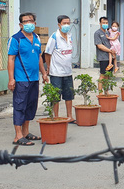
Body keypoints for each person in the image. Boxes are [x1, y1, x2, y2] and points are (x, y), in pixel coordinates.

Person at [7, 12, 48, 146]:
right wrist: (11, 79)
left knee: (31, 106)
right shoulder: (16, 39)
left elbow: (39, 58)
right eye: (25, 21)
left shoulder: (36, 38)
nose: (28, 23)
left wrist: (44, 73)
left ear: (35, 24)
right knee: (20, 106)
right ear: (20, 24)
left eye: (31, 21)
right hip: (21, 79)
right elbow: (11, 59)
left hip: (34, 79)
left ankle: (25, 133)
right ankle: (18, 136)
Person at [44, 15, 75, 123]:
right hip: (56, 72)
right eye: (64, 23)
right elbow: (47, 53)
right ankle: (56, 117)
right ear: (59, 25)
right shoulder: (54, 37)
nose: (66, 25)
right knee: (56, 96)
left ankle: (69, 116)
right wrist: (48, 67)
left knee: (69, 95)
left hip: (68, 72)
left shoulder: (70, 36)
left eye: (68, 23)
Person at [95, 16, 116, 92]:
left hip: (110, 57)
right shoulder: (97, 33)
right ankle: (100, 93)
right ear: (100, 23)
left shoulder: (108, 32)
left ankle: (106, 92)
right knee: (102, 75)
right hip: (103, 57)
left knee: (108, 76)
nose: (105, 24)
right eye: (103, 23)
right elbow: (99, 45)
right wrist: (110, 51)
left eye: (106, 23)